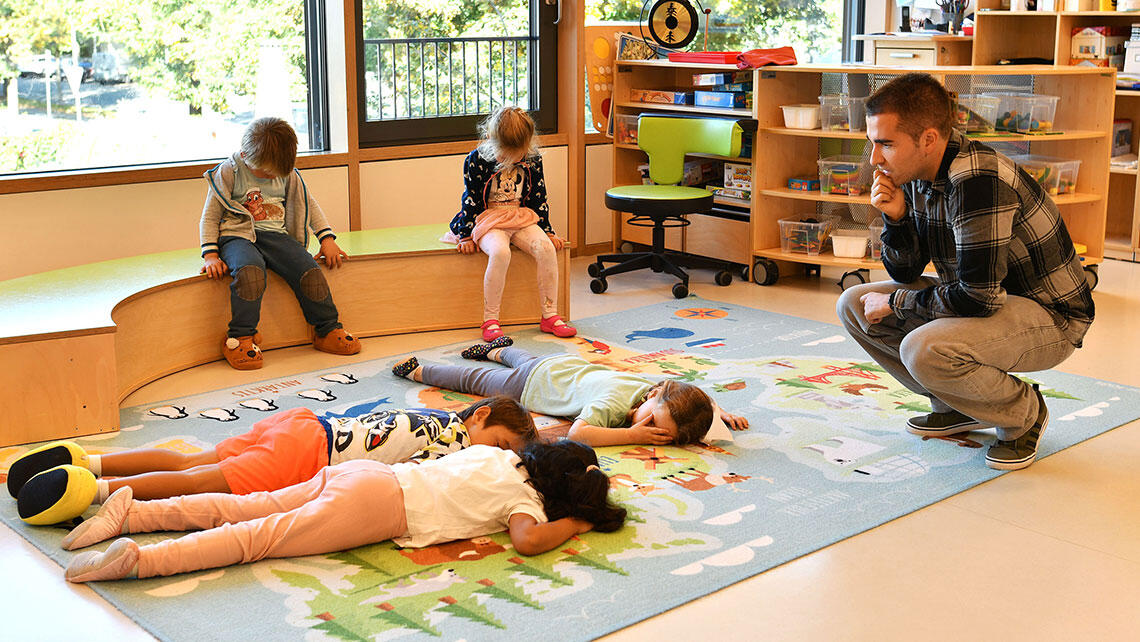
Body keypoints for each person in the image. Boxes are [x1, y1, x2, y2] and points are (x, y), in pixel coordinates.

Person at [836, 73, 1095, 471]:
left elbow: (977, 298)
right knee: (852, 303)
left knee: (923, 348)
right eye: (873, 142)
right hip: (991, 299)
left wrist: (896, 302)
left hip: (1051, 317)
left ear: (928, 139)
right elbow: (905, 272)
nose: (874, 158)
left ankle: (1023, 414)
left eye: (886, 143)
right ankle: (960, 405)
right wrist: (897, 218)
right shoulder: (920, 174)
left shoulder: (977, 180)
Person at [61, 440, 627, 582]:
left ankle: (131, 513)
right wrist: (576, 522)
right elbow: (528, 541)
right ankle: (141, 560)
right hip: (381, 504)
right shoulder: (524, 503)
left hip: (371, 473)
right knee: (258, 536)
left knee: (247, 506)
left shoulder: (495, 454)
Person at [10, 397, 538, 524]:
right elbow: (426, 476)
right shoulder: (454, 440)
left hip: (305, 424)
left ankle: (93, 461)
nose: (491, 460)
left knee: (193, 457)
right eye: (498, 447)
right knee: (200, 481)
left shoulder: (433, 413)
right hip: (308, 452)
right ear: (480, 417)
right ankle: (87, 492)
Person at [200, 116, 360, 370]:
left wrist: (326, 238)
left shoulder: (286, 173)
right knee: (250, 273)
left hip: (275, 234)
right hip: (237, 236)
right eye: (265, 172)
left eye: (276, 172)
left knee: (308, 270)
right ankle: (240, 337)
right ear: (245, 154)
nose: (271, 176)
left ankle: (327, 329)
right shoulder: (229, 171)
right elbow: (210, 215)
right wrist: (210, 254)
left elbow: (309, 204)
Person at [391, 343, 749, 447]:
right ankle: (420, 369)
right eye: (651, 420)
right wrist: (632, 434)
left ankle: (498, 350)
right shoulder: (613, 405)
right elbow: (578, 434)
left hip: (562, 364)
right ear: (652, 398)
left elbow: (694, 392)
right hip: (532, 387)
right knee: (477, 380)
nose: (648, 428)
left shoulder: (659, 389)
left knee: (522, 358)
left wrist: (719, 412)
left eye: (660, 432)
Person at [448, 105, 576, 342]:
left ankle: (550, 315)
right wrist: (465, 235)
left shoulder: (532, 158)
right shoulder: (476, 160)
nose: (513, 159)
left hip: (520, 215)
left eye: (518, 154)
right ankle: (491, 319)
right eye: (506, 154)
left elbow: (539, 196)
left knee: (546, 249)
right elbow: (471, 199)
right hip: (489, 219)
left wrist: (547, 231)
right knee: (500, 253)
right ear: (492, 141)